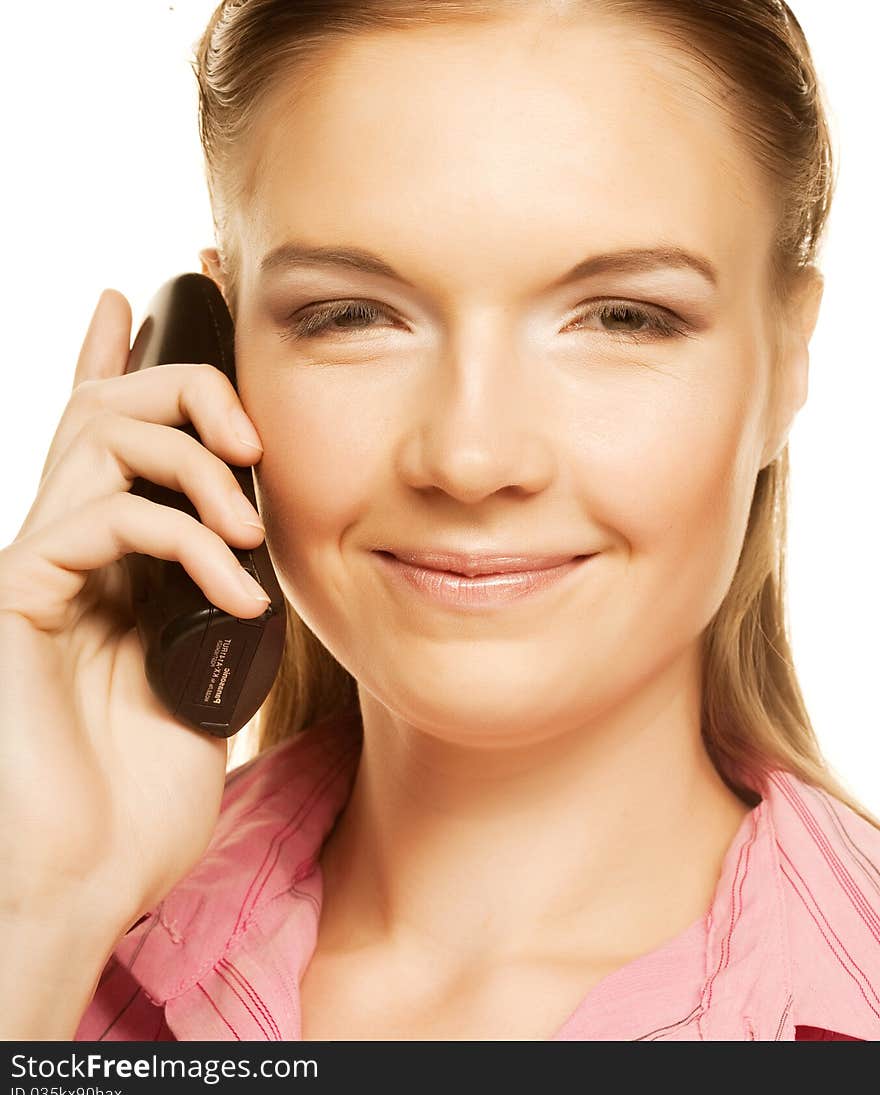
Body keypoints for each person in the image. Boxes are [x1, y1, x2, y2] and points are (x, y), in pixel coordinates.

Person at [1, 0, 877, 1042]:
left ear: (786, 361)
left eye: (620, 317)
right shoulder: (57, 951)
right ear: (218, 356)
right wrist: (40, 910)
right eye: (353, 315)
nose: (469, 458)